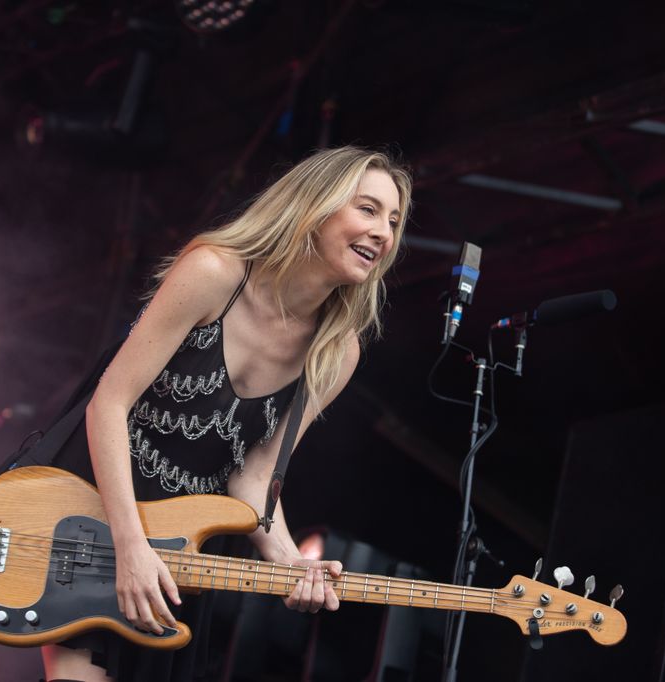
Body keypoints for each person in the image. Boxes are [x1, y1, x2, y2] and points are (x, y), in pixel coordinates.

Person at [43, 146, 412, 682]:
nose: (384, 233)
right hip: (92, 519)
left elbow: (254, 476)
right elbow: (110, 403)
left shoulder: (337, 350)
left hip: (182, 556)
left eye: (395, 221)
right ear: (314, 206)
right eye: (368, 209)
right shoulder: (214, 272)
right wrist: (130, 546)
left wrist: (291, 564)